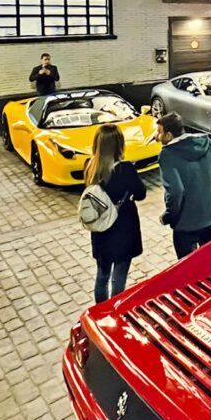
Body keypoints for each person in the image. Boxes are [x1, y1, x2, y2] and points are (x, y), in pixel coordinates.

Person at [85, 124, 146, 303]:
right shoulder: (125, 169)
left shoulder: (90, 167)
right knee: (119, 277)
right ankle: (114, 309)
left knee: (102, 276)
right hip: (123, 230)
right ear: (119, 144)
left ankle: (100, 310)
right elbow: (141, 193)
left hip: (102, 230)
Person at [157, 112, 211, 259]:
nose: (156, 137)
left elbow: (176, 192)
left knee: (188, 265)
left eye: (159, 133)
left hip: (186, 225)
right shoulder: (207, 143)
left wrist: (168, 216)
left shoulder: (167, 155)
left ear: (169, 135)